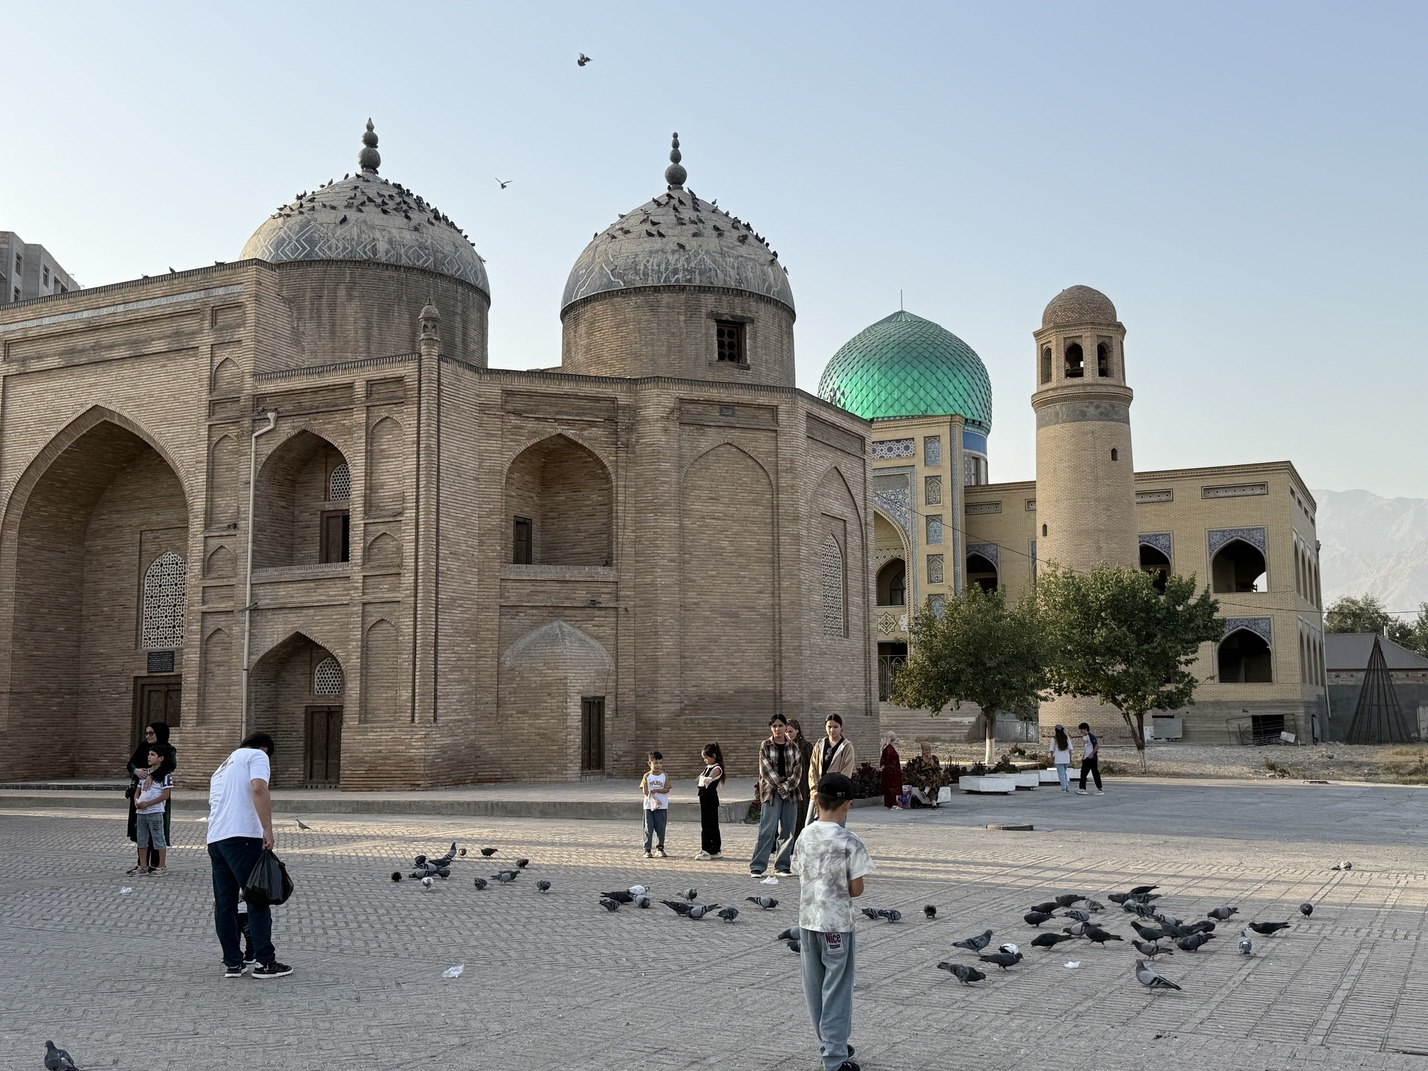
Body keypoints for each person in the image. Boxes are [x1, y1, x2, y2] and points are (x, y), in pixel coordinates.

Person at [792, 772, 874, 1071]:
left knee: (814, 987)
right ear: (847, 806)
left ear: (816, 801)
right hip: (837, 925)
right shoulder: (849, 841)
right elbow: (857, 889)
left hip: (807, 920)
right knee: (837, 990)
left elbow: (798, 870)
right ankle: (834, 1059)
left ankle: (830, 1043)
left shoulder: (804, 835)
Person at [207, 732, 291, 978]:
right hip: (242, 836)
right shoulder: (258, 755)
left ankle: (233, 963)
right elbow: (258, 788)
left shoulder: (222, 767)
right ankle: (266, 962)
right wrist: (268, 828)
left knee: (225, 903)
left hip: (216, 838)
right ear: (265, 748)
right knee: (257, 897)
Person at [749, 714, 802, 877]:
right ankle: (758, 866)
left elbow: (798, 771)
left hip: (791, 793)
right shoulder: (765, 745)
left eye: (780, 725)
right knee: (767, 830)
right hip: (771, 793)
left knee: (788, 830)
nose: (777, 729)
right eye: (774, 726)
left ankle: (782, 866)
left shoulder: (794, 747)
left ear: (786, 727)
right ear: (771, 728)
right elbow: (765, 769)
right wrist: (779, 785)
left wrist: (786, 786)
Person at [126, 722, 176, 871]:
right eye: (146, 733)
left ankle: (156, 864)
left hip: (156, 795)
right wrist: (136, 771)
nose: (148, 736)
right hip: (140, 794)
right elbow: (131, 764)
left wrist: (152, 776)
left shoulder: (168, 750)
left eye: (151, 733)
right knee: (139, 829)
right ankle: (142, 864)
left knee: (157, 830)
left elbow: (170, 766)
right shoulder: (143, 747)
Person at [806, 714, 856, 825]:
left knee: (836, 827)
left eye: (835, 727)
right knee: (810, 825)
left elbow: (846, 772)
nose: (832, 730)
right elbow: (813, 768)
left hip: (836, 794)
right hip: (818, 792)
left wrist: (837, 789)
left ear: (841, 727)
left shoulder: (846, 747)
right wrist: (814, 789)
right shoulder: (820, 744)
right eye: (829, 727)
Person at [132, 748, 172, 874]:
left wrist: (148, 804)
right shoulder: (144, 774)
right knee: (141, 839)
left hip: (155, 812)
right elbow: (137, 792)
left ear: (160, 758)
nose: (149, 757)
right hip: (141, 813)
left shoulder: (165, 776)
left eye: (153, 754)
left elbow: (165, 795)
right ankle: (143, 866)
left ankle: (161, 866)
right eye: (148, 754)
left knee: (158, 838)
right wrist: (136, 801)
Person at [695, 743, 725, 861]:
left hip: (710, 798)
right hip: (704, 797)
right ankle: (713, 849)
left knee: (709, 824)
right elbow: (700, 778)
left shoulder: (717, 768)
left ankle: (707, 849)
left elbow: (709, 778)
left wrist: (707, 780)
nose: (705, 760)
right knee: (708, 823)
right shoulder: (707, 767)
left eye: (706, 758)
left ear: (713, 756)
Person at [640, 751, 671, 858]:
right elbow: (644, 790)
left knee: (661, 827)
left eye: (660, 763)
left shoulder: (664, 776)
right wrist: (650, 793)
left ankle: (660, 848)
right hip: (649, 806)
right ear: (649, 763)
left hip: (662, 806)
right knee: (649, 828)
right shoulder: (647, 776)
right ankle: (647, 849)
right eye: (655, 763)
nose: (658, 765)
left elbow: (667, 789)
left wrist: (657, 790)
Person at [788, 719, 815, 842]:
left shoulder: (805, 746)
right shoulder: (784, 746)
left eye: (791, 731)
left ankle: (801, 841)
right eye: (786, 732)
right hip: (788, 785)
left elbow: (812, 766)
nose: (788, 734)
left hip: (802, 785)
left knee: (801, 814)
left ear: (797, 731)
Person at [906, 741, 941, 807]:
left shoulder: (934, 758)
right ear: (922, 750)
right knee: (932, 786)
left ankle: (925, 792)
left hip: (933, 779)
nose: (928, 751)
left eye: (929, 750)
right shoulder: (919, 760)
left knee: (932, 777)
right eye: (926, 750)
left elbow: (937, 770)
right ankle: (933, 802)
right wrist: (920, 777)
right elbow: (914, 772)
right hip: (923, 779)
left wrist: (932, 762)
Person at [1076, 722, 1103, 795]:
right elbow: (1086, 748)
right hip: (1086, 758)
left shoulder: (1091, 736)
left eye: (1082, 729)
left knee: (1095, 773)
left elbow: (1097, 746)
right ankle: (1082, 788)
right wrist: (1083, 756)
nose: (1080, 731)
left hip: (1092, 758)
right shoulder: (1084, 738)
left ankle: (1099, 789)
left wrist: (1091, 754)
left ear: (1085, 729)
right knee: (1083, 773)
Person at [879, 733, 902, 808]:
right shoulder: (889, 748)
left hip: (889, 770)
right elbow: (887, 759)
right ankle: (893, 803)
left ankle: (889, 803)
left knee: (889, 786)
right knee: (892, 786)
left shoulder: (887, 748)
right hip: (892, 771)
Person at [1051, 725, 1073, 793]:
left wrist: (1052, 758)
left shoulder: (1054, 739)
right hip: (1066, 758)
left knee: (1061, 774)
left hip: (1058, 758)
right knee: (1064, 773)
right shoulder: (1067, 738)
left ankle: (1063, 788)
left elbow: (1051, 750)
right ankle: (1066, 786)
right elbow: (1070, 749)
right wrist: (1070, 758)